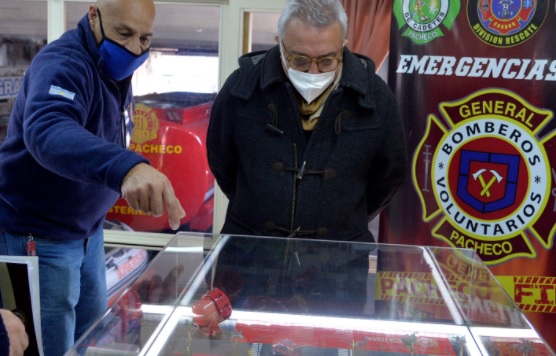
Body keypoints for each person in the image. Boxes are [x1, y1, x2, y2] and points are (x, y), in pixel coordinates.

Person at [0, 0, 185, 355]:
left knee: (90, 336)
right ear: (93, 15)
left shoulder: (112, 69)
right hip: (40, 234)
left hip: (88, 232)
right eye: (124, 33)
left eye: (145, 39)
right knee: (51, 346)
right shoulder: (63, 65)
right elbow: (49, 129)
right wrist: (126, 167)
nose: (135, 49)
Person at [206, 0, 406, 320]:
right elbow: (222, 161)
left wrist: (340, 214)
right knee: (243, 343)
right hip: (251, 260)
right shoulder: (242, 88)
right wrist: (264, 201)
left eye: (327, 60)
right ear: (279, 45)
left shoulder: (374, 97)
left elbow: (390, 175)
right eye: (299, 59)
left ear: (343, 46)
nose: (313, 71)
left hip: (335, 267)